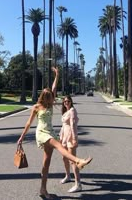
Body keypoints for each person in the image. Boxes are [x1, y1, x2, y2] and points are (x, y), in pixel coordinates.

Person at [17, 67, 92, 200]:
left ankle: (43, 189)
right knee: (59, 146)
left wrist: (57, 75)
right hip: (42, 133)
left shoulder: (50, 105)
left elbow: (53, 87)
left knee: (46, 164)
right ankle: (78, 161)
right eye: (49, 97)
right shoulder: (36, 107)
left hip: (51, 132)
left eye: (51, 97)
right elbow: (29, 123)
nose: (51, 99)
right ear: (43, 98)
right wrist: (21, 138)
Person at [59, 95, 82, 193]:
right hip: (64, 138)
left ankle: (78, 184)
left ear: (71, 102)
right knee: (64, 158)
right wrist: (60, 136)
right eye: (65, 101)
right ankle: (68, 176)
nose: (66, 103)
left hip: (70, 138)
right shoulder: (66, 111)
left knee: (72, 160)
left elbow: (72, 125)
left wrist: (74, 138)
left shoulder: (72, 110)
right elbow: (64, 125)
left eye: (68, 101)